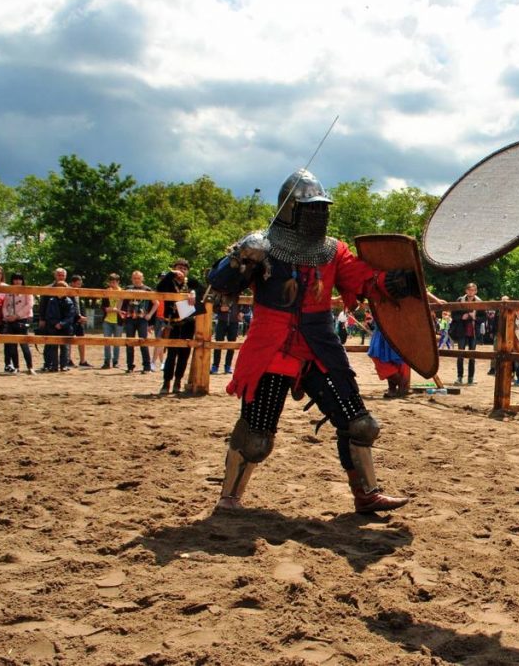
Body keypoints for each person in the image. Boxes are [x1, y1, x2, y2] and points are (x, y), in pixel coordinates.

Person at [208, 168, 419, 514]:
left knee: (360, 423)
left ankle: (366, 494)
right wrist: (240, 257)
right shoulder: (264, 246)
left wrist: (391, 282)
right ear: (291, 211)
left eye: (322, 208)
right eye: (311, 208)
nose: (319, 215)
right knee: (258, 438)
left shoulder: (333, 251)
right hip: (272, 347)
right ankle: (229, 496)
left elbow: (364, 280)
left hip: (320, 346)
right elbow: (221, 285)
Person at [156, 258, 202, 394]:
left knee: (184, 354)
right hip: (173, 323)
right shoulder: (168, 282)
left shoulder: (192, 282)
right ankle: (166, 383)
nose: (181, 270)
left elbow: (205, 292)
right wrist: (172, 274)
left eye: (184, 268)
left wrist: (194, 292)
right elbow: (159, 289)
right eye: (178, 267)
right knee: (171, 355)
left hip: (188, 323)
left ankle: (178, 382)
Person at [121, 270, 154, 374]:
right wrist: (119, 311)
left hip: (142, 319)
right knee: (129, 343)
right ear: (132, 279)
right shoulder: (128, 289)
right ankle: (130, 366)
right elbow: (120, 299)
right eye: (134, 278)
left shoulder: (147, 289)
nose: (136, 280)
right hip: (130, 318)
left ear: (142, 279)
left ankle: (147, 367)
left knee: (143, 343)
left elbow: (156, 302)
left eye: (138, 278)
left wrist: (150, 314)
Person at [450, 282, 483, 385]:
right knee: (460, 355)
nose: (471, 291)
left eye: (473, 290)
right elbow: (453, 315)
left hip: (473, 331)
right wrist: (461, 317)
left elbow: (483, 317)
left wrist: (475, 318)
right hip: (462, 331)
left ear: (476, 291)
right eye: (469, 289)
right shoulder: (460, 300)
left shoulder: (479, 302)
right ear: (466, 291)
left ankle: (471, 378)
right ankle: (459, 377)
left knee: (472, 356)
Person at [1, 273, 34, 374]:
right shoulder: (9, 292)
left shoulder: (27, 291)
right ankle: (16, 367)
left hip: (22, 319)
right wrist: (7, 316)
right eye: (15, 279)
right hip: (10, 320)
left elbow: (29, 305)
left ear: (22, 280)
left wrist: (17, 315)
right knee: (12, 345)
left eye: (19, 279)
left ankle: (30, 367)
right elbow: (4, 306)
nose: (17, 281)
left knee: (24, 344)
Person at [41, 282, 77, 372]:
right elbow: (49, 315)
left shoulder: (69, 301)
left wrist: (62, 324)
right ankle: (54, 365)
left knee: (64, 347)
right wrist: (55, 323)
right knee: (53, 347)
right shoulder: (51, 301)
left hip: (65, 328)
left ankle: (64, 365)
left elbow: (71, 316)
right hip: (53, 327)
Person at [211, 293, 241, 375]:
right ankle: (215, 366)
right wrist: (220, 309)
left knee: (231, 345)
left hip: (234, 322)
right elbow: (214, 307)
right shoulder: (220, 293)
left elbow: (243, 308)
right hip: (222, 321)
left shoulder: (238, 293)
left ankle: (228, 366)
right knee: (218, 343)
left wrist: (241, 312)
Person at [101, 273, 123, 369]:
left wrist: (113, 309)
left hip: (118, 320)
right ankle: (106, 361)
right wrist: (112, 309)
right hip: (107, 320)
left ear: (118, 282)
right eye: (111, 282)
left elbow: (122, 307)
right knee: (107, 341)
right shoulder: (106, 292)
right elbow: (103, 307)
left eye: (114, 282)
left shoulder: (122, 292)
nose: (112, 284)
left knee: (117, 342)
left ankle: (116, 361)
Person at [68, 274, 90, 368]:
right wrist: (78, 316)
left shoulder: (79, 293)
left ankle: (82, 360)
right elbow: (70, 308)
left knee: (81, 340)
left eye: (80, 284)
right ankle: (68, 359)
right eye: (77, 284)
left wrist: (83, 316)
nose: (79, 286)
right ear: (72, 283)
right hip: (71, 320)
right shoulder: (68, 292)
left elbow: (80, 306)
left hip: (79, 321)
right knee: (69, 340)